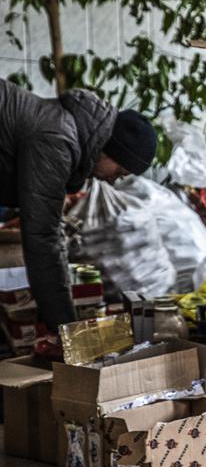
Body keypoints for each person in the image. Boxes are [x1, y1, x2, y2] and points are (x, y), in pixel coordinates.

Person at [0, 78, 157, 330]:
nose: (114, 181)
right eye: (120, 171)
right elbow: (42, 237)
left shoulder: (65, 131)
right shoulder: (58, 140)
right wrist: (66, 329)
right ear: (108, 152)